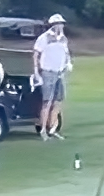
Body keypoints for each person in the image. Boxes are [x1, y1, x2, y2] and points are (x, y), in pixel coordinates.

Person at [32, 13, 72, 141]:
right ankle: (43, 129)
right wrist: (37, 73)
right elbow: (36, 55)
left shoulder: (63, 38)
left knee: (58, 101)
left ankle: (53, 128)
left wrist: (68, 63)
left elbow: (66, 53)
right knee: (47, 102)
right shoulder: (44, 38)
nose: (59, 26)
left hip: (60, 73)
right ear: (52, 25)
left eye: (61, 23)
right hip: (48, 72)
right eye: (57, 24)